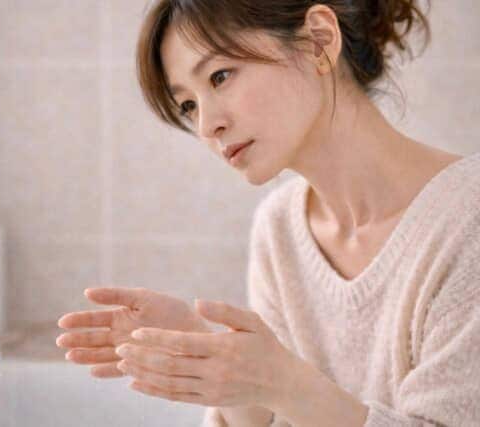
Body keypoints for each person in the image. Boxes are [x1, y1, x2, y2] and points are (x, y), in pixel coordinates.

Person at [56, 1, 480, 425]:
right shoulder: (280, 228)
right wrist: (209, 360)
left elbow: (291, 394)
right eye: (188, 105)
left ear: (318, 41)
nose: (206, 125)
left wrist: (285, 385)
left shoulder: (468, 218)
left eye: (220, 76)